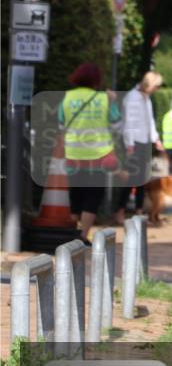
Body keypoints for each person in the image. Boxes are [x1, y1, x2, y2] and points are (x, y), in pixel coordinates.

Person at [60, 63, 121, 242]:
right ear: (97, 80)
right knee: (93, 195)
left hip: (73, 153)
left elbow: (61, 124)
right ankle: (83, 235)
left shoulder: (68, 97)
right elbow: (117, 124)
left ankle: (72, 233)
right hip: (99, 155)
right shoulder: (104, 99)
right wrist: (113, 102)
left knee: (76, 193)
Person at [115, 71, 164, 224]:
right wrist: (129, 144)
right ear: (148, 84)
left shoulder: (146, 98)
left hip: (144, 141)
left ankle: (139, 211)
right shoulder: (132, 98)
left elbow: (150, 121)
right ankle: (120, 211)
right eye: (155, 86)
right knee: (129, 179)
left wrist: (155, 138)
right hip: (133, 142)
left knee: (142, 179)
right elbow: (129, 122)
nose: (156, 90)